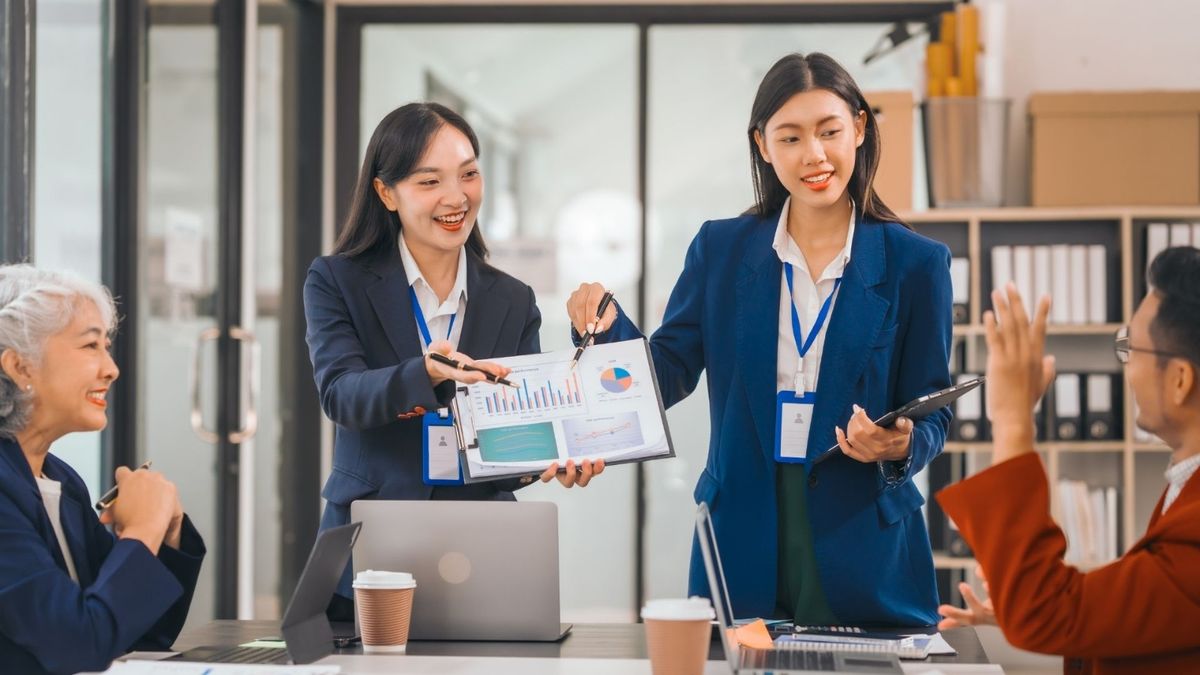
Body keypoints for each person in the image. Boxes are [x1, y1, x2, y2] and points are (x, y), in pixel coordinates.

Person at [567, 52, 952, 625]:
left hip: (863, 544)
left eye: (830, 132)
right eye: (791, 137)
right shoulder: (720, 251)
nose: (814, 155)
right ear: (763, 145)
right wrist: (605, 324)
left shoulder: (916, 264)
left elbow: (934, 411)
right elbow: (667, 370)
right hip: (740, 534)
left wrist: (900, 446)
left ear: (861, 129)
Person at [304, 102, 605, 616]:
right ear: (385, 192)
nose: (455, 197)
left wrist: (552, 459)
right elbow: (341, 395)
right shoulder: (338, 281)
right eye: (429, 182)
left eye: (468, 174)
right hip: (366, 548)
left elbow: (511, 446)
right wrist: (426, 373)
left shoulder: (512, 299)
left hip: (480, 549)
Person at [936, 247, 1200, 672]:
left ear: (1180, 380)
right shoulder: (1185, 486)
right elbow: (1158, 635)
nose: (1127, 370)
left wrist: (1012, 418)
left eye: (1131, 348)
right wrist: (1051, 614)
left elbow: (1044, 614)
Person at [0, 265, 205, 675]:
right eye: (90, 346)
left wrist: (166, 530)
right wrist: (141, 530)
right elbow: (76, 645)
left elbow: (135, 632)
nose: (111, 368)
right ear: (20, 367)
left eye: (106, 346)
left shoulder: (61, 481)